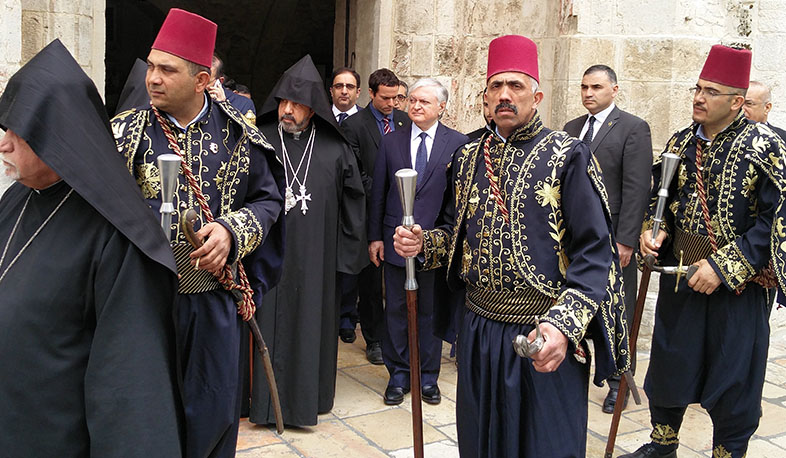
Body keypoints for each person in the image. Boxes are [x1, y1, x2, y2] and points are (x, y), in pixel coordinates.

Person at [393, 35, 630, 457]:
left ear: (536, 95)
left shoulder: (567, 155)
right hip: (479, 328)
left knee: (544, 445)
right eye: (496, 86)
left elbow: (596, 251)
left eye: (516, 86)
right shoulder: (467, 157)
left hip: (544, 332)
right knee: (483, 440)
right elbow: (455, 233)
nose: (505, 95)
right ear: (485, 97)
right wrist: (424, 243)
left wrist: (564, 325)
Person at [111, 9, 285, 458]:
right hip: (143, 302)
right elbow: (103, 203)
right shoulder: (125, 133)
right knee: (148, 414)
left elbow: (268, 201)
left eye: (167, 70)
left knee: (212, 414)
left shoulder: (240, 136)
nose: (153, 78)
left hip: (213, 303)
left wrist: (230, 231)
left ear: (202, 80)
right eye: (151, 66)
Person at [0, 39, 182, 457]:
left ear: (56, 137)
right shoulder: (17, 197)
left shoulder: (115, 235)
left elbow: (129, 390)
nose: (4, 144)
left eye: (18, 133)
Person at [621, 45, 786, 458]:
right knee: (671, 362)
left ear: (736, 102)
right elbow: (662, 198)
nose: (698, 97)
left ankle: (727, 451)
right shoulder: (680, 140)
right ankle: (663, 446)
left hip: (740, 287)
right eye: (697, 88)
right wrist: (652, 232)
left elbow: (777, 218)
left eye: (711, 91)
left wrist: (724, 266)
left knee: (733, 375)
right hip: (682, 276)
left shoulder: (766, 146)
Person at [249, 54, 366, 427]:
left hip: (316, 259)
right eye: (284, 101)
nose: (288, 110)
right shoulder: (260, 140)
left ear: (313, 110)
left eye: (297, 105)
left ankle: (306, 402)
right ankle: (260, 405)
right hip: (265, 257)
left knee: (310, 325)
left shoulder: (336, 150)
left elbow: (354, 203)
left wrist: (344, 258)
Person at [368, 77, 468, 406]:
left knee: (429, 310)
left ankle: (427, 376)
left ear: (442, 107)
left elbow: (459, 200)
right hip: (395, 240)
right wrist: (375, 237)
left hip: (436, 245)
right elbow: (379, 193)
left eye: (424, 102)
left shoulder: (458, 144)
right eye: (412, 100)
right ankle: (398, 374)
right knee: (395, 309)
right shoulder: (392, 142)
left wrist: (448, 241)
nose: (416, 106)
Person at [563, 64, 652, 414]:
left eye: (596, 87)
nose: (588, 93)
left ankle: (619, 382)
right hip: (574, 238)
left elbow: (635, 187)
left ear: (614, 90)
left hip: (613, 238)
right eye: (584, 86)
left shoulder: (632, 128)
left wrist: (627, 239)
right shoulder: (572, 128)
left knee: (618, 309)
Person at [342, 68, 411, 364]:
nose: (392, 104)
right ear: (371, 94)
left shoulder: (404, 121)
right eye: (385, 98)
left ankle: (401, 334)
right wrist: (384, 190)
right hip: (369, 212)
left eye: (396, 98)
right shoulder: (355, 125)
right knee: (371, 279)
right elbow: (354, 172)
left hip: (400, 212)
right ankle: (374, 339)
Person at [209, 53, 257, 124]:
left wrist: (223, 106)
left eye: (207, 82)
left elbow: (246, 133)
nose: (200, 85)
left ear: (220, 81)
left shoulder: (242, 103)